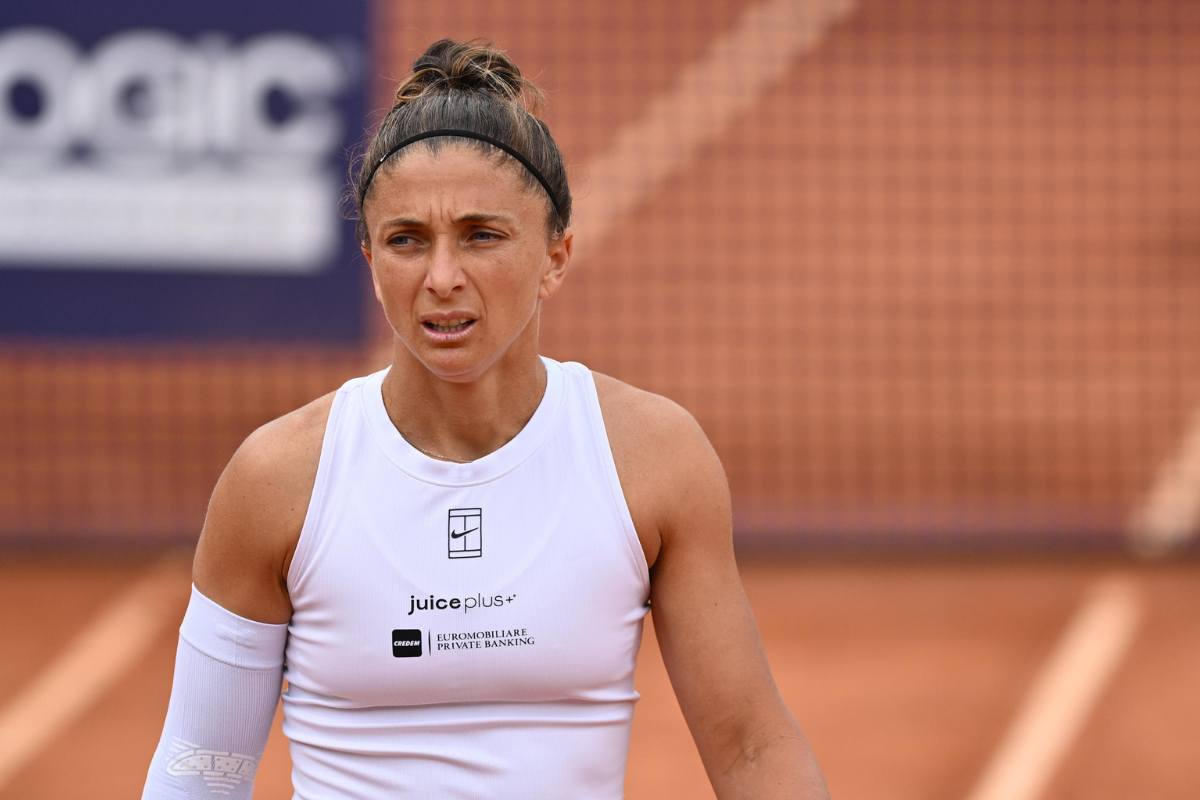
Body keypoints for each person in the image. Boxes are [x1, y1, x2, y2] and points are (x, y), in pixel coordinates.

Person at [143, 38, 829, 799]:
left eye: (481, 235)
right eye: (407, 241)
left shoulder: (654, 458)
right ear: (370, 262)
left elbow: (751, 750)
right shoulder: (277, 481)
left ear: (556, 257)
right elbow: (200, 771)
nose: (442, 278)